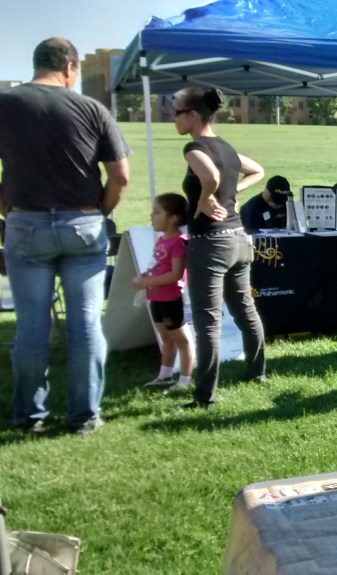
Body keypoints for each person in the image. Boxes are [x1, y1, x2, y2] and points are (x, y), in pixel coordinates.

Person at [0, 38, 130, 434]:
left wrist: (8, 209)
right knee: (86, 325)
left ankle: (29, 415)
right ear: (71, 67)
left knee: (32, 326)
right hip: (83, 225)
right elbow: (120, 176)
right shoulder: (92, 108)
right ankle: (83, 415)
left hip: (26, 224)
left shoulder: (6, 103)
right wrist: (99, 213)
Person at [173, 86, 266, 408]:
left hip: (209, 242)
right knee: (244, 309)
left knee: (207, 319)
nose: (172, 118)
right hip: (239, 239)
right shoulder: (226, 147)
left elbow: (209, 175)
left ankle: (204, 397)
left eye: (176, 112)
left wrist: (204, 197)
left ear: (193, 115)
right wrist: (234, 193)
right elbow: (258, 171)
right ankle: (257, 372)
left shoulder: (194, 147)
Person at [133, 193, 193, 393]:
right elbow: (158, 266)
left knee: (182, 341)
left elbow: (176, 274)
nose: (151, 215)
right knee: (166, 339)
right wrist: (145, 277)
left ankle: (185, 380)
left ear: (173, 218)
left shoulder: (179, 242)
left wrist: (146, 281)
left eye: (157, 212)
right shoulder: (161, 240)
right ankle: (164, 377)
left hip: (170, 299)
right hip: (155, 298)